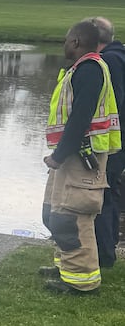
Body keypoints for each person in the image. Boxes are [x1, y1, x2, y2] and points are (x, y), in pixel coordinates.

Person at [41, 19, 121, 294]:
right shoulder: (79, 69)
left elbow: (80, 118)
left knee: (73, 216)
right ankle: (66, 266)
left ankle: (82, 282)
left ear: (76, 42)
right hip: (72, 155)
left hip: (82, 156)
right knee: (55, 213)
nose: (64, 44)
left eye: (66, 39)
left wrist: (59, 155)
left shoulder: (90, 70)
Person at [94, 16, 125, 268]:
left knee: (101, 193)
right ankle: (109, 246)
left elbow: (110, 105)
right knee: (111, 191)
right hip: (119, 139)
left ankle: (103, 253)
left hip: (112, 141)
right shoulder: (120, 55)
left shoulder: (109, 62)